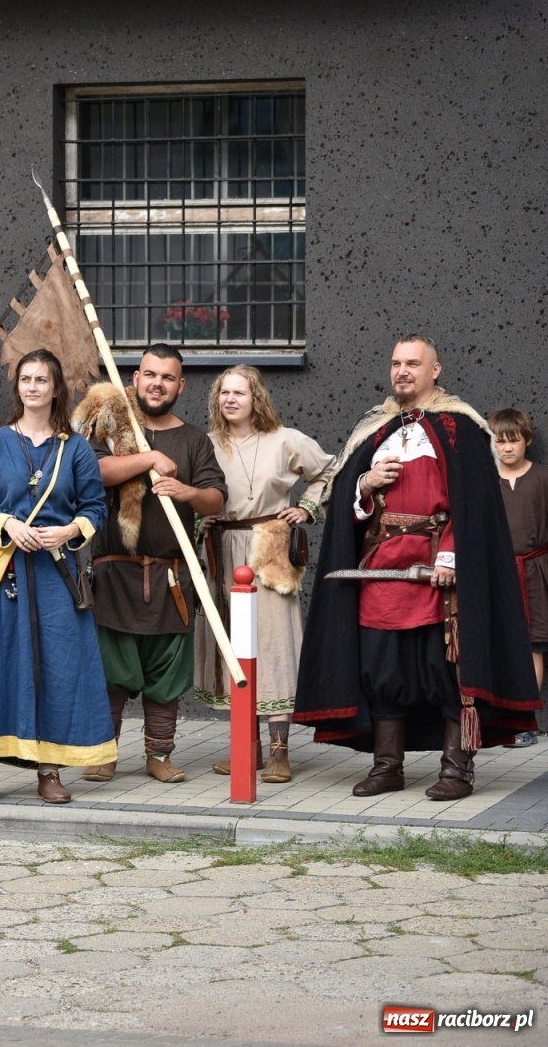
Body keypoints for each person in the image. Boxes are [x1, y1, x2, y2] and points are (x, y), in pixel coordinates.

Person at [295, 337, 540, 799]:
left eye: (413, 363)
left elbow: (471, 509)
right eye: (395, 363)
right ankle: (388, 767)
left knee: (445, 671)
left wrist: (450, 556)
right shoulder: (374, 428)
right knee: (381, 671)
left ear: (435, 370)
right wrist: (365, 483)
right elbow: (346, 500)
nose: (402, 371)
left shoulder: (461, 428)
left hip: (439, 572)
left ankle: (456, 770)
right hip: (382, 570)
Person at [0, 350, 114, 805]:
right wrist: (7, 525)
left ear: (55, 388)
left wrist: (68, 531)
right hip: (4, 573)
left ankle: (50, 770)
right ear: (18, 388)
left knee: (57, 670)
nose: (32, 387)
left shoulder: (76, 447)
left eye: (41, 380)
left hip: (57, 575)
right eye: (26, 379)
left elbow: (95, 509)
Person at [84, 344, 226, 783]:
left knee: (166, 674)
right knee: (111, 672)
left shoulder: (194, 440)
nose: (158, 384)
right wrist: (146, 458)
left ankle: (159, 756)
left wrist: (186, 493)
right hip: (113, 575)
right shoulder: (109, 426)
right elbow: (93, 472)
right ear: (136, 378)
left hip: (171, 578)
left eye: (167, 377)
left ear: (180, 385)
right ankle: (103, 754)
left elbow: (217, 497)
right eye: (150, 374)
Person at [192, 366, 332, 782]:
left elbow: (328, 470)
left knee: (272, 647)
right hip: (222, 550)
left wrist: (305, 507)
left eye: (239, 392)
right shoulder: (207, 444)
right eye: (224, 393)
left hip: (268, 550)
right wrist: (203, 521)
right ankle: (246, 750)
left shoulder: (286, 439)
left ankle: (279, 753)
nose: (230, 399)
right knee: (232, 649)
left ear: (257, 398)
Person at [491, 406, 548, 746]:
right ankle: (498, 720)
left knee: (532, 646)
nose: (507, 448)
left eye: (514, 440)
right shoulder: (484, 480)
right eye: (500, 441)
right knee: (498, 644)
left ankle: (526, 721)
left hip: (536, 570)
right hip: (498, 572)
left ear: (527, 440)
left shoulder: (543, 477)